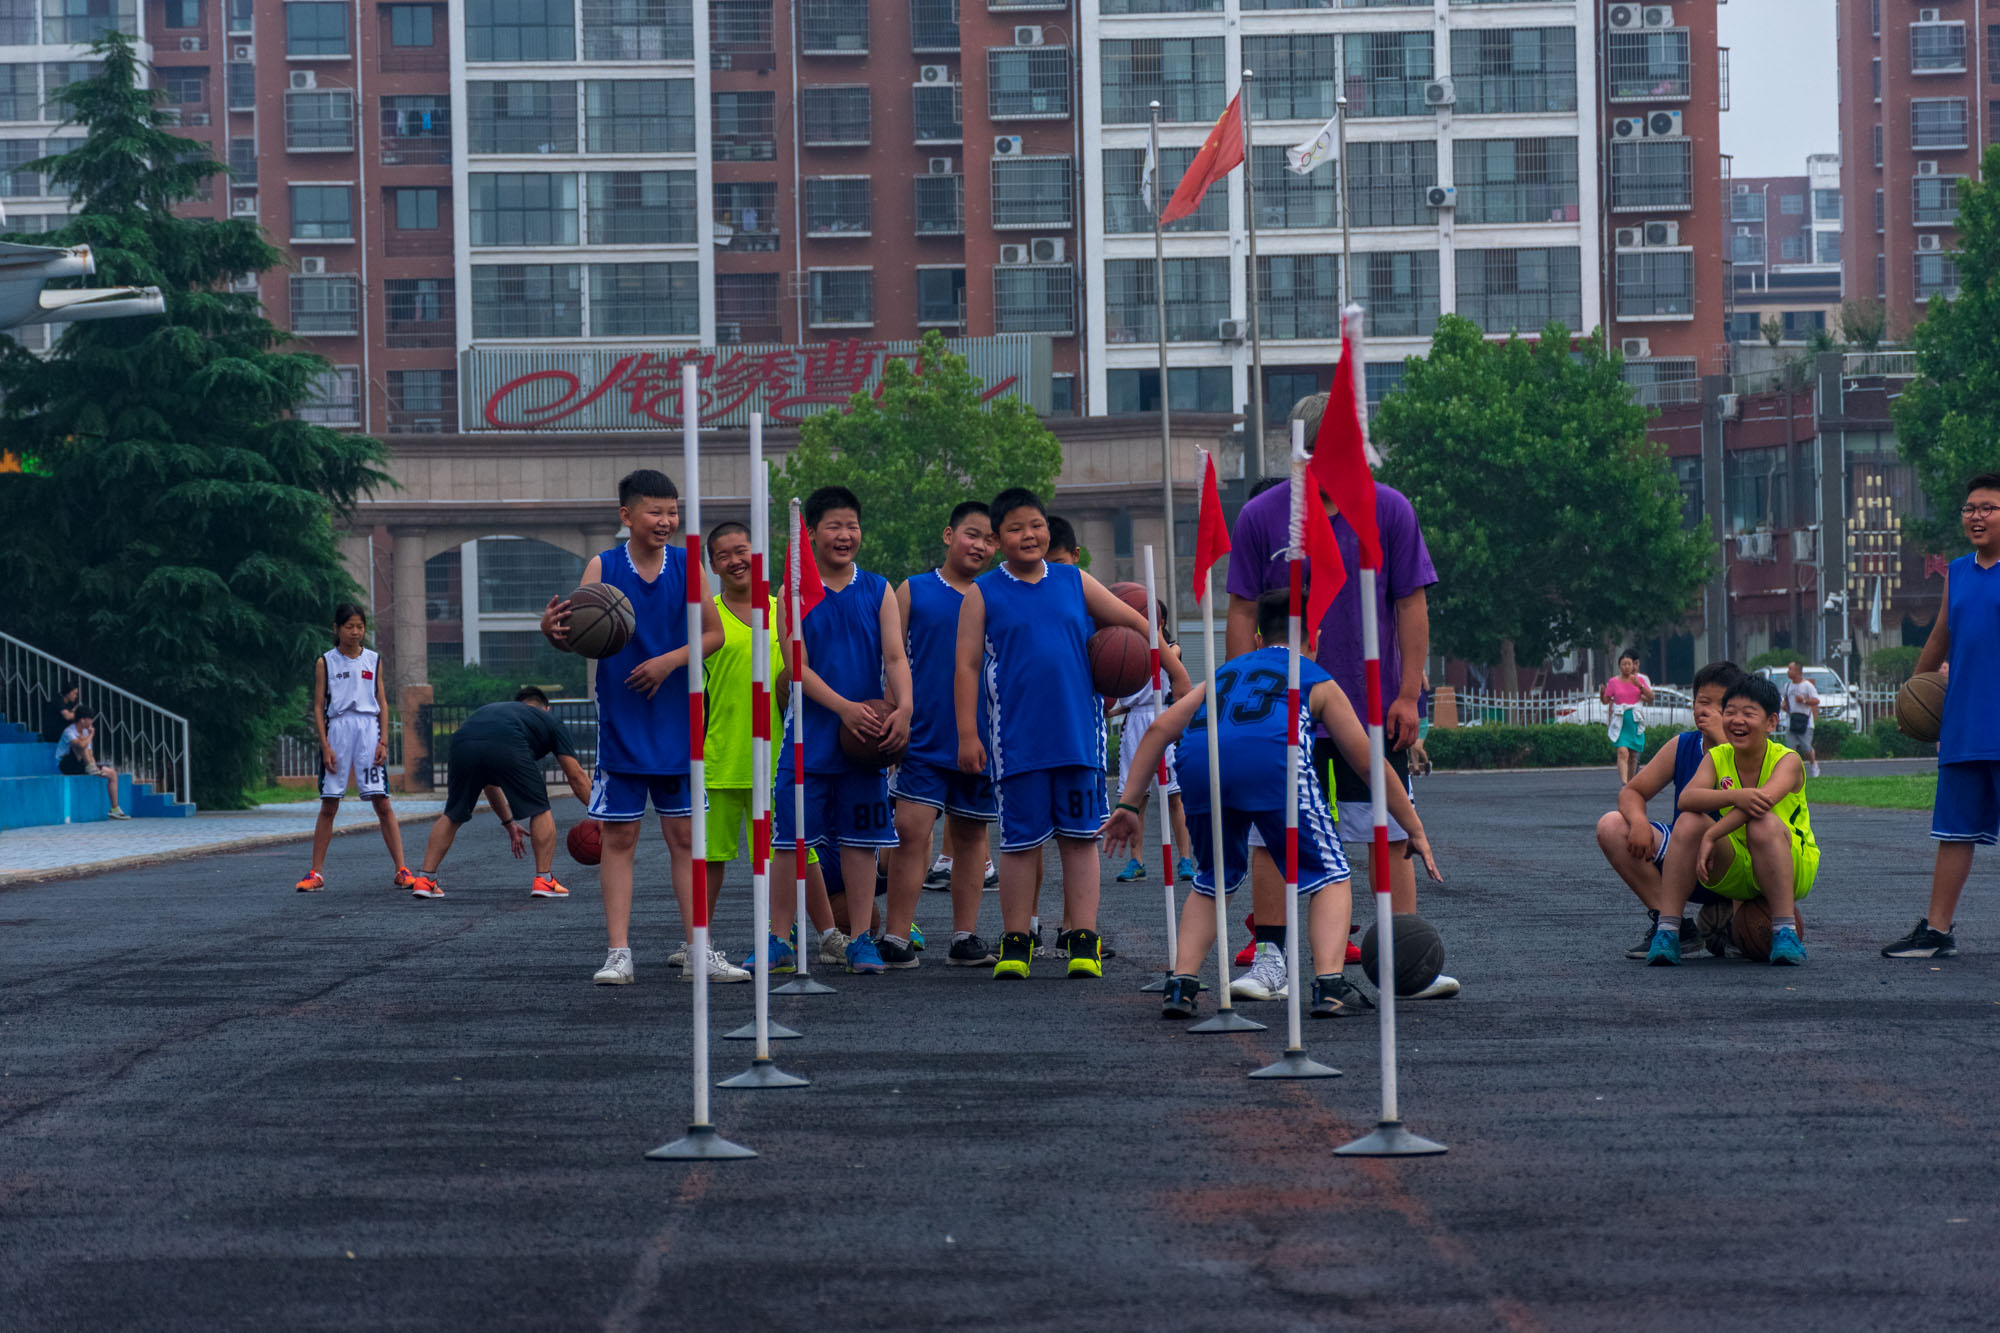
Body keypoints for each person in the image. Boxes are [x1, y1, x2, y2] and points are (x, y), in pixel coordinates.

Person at [1104, 589, 1441, 1019]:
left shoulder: (1224, 675)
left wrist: (1129, 806)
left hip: (1201, 764)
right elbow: (1367, 761)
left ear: (1259, 638)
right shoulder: (1314, 675)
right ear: (1314, 638)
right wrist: (1413, 827)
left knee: (1213, 879)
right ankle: (1330, 983)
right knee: (1331, 874)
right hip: (1270, 761)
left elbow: (1158, 732)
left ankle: (1182, 983)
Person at [1223, 414, 1452, 1000]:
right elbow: (1243, 611)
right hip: (1285, 706)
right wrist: (1237, 691)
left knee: (1389, 831)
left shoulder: (1390, 509)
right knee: (1271, 835)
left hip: (1370, 704)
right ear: (1303, 448)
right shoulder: (1263, 515)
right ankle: (1271, 961)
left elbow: (1411, 603)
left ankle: (1404, 961)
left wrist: (1408, 693)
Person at [954, 487, 1191, 980]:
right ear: (998, 539)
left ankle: (1083, 937)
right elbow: (966, 667)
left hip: (1078, 739)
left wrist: (1175, 670)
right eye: (1016, 528)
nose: (1029, 535)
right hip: (1015, 742)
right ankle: (1016, 939)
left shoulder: (1073, 580)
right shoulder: (983, 593)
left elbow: (1135, 621)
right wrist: (966, 735)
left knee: (1081, 840)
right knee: (1019, 844)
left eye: (1036, 525)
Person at [539, 469, 732, 987]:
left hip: (678, 720)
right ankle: (619, 951)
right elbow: (579, 632)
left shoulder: (690, 566)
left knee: (687, 837)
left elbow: (714, 635)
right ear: (626, 516)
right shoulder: (604, 565)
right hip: (624, 721)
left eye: (673, 511)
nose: (667, 520)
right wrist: (553, 633)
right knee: (619, 837)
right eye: (655, 511)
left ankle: (698, 946)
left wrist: (669, 662)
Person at [766, 485, 913, 975]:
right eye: (834, 526)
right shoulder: (793, 589)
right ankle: (777, 938)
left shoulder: (878, 588)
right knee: (790, 840)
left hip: (865, 738)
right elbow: (796, 666)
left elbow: (895, 657)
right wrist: (844, 708)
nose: (845, 534)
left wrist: (905, 709)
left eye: (852, 525)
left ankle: (859, 941)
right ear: (810, 533)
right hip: (810, 735)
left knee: (859, 841)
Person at [703, 520, 840, 972]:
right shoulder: (707, 620)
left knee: (801, 852)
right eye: (724, 555)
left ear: (758, 554)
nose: (735, 560)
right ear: (713, 565)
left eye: (742, 550)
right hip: (720, 759)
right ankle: (697, 943)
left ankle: (829, 936)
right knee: (710, 859)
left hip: (781, 760)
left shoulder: (787, 611)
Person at [1883, 472, 2000, 960]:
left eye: (1987, 508)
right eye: (1969, 508)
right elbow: (1938, 637)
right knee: (1954, 834)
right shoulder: (1957, 571)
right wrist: (1912, 695)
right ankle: (1937, 929)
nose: (1976, 515)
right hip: (1963, 726)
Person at [886, 501, 1001, 969]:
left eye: (990, 539)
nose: (981, 545)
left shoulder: (998, 594)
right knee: (911, 831)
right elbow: (890, 661)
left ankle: (964, 936)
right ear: (949, 534)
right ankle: (895, 936)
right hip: (923, 735)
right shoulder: (912, 590)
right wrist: (895, 715)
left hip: (979, 738)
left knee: (972, 834)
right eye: (973, 534)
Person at [1651, 674, 1818, 967]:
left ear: (1771, 723)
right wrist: (1733, 797)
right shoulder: (1718, 756)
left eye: (1748, 714)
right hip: (1741, 863)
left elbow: (1759, 805)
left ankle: (1784, 930)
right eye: (1730, 712)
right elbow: (1686, 799)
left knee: (1761, 822)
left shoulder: (1787, 760)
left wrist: (1712, 834)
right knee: (1689, 821)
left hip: (1791, 864)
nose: (1737, 720)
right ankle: (1667, 931)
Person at [1594, 660, 1744, 958]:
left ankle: (1739, 922)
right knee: (1611, 825)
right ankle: (1673, 926)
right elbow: (1633, 791)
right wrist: (1637, 821)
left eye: (1720, 705)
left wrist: (1722, 741)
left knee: (1696, 821)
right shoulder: (1684, 745)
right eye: (1703, 701)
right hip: (1684, 863)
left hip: (1735, 866)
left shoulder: (1749, 751)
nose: (1708, 710)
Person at [407, 687, 591, 898]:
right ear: (546, 709)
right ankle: (544, 880)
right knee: (540, 808)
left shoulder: (498, 712)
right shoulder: (550, 721)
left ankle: (424, 879)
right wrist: (599, 815)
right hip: (508, 741)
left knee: (453, 813)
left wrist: (509, 823)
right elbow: (575, 775)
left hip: (463, 741)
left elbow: (488, 782)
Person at [296, 604, 408, 891]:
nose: (356, 632)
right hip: (339, 729)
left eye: (360, 626)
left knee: (382, 801)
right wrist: (325, 745)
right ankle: (315, 873)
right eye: (350, 626)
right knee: (329, 803)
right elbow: (319, 705)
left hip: (369, 730)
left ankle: (402, 869)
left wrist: (383, 740)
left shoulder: (373, 659)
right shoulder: (326, 662)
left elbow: (382, 702)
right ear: (337, 628)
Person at [54, 706, 129, 818]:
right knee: (80, 743)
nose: (92, 721)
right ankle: (91, 768)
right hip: (66, 764)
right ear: (82, 720)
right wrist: (91, 735)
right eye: (90, 718)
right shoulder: (69, 731)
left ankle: (114, 809)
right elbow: (81, 746)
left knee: (112, 774)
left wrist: (96, 768)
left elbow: (90, 753)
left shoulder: (85, 732)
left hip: (83, 763)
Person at [1601, 651, 1655, 785]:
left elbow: (1651, 697)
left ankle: (1631, 783)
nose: (1626, 667)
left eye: (1629, 664)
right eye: (1623, 664)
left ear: (1633, 666)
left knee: (1633, 756)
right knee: (1622, 752)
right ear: (1619, 666)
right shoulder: (1613, 682)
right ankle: (1624, 782)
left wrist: (1640, 686)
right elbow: (1606, 701)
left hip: (1635, 722)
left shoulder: (1639, 680)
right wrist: (1602, 693)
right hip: (1620, 721)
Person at [1779, 661, 1822, 779]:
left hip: (1805, 722)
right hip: (1791, 721)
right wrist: (1784, 706)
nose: (1788, 672)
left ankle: (1813, 765)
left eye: (1790, 669)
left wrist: (1803, 700)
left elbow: (1816, 701)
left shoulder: (1807, 685)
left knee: (1806, 748)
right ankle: (1793, 772)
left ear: (1797, 671)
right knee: (1790, 748)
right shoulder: (1787, 686)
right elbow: (1785, 700)